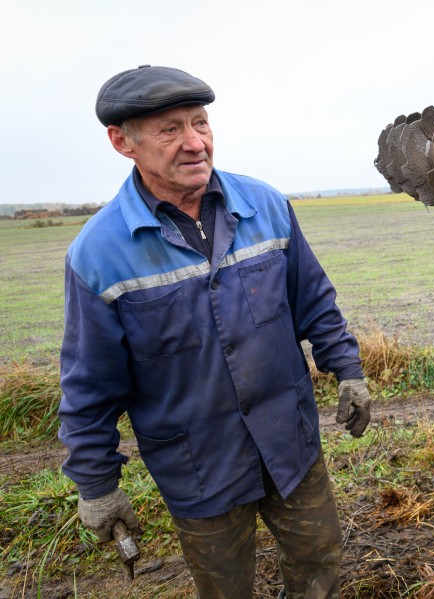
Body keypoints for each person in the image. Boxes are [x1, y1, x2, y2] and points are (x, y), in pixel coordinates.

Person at [57, 65, 372, 599]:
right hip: (199, 466)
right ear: (121, 141)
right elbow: (90, 381)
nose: (194, 143)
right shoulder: (100, 253)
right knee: (225, 591)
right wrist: (96, 484)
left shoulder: (265, 206)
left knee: (320, 559)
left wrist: (347, 369)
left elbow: (313, 299)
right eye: (170, 130)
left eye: (200, 124)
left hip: (289, 440)